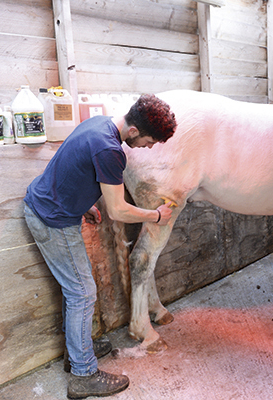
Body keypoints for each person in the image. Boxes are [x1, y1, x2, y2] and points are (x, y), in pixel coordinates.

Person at [23, 94, 177, 399]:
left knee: (75, 290)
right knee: (82, 293)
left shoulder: (99, 125)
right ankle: (83, 375)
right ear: (134, 131)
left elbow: (71, 168)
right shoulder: (111, 150)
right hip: (52, 220)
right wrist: (156, 215)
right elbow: (117, 211)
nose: (148, 147)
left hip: (50, 206)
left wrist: (83, 204)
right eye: (149, 141)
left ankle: (76, 352)